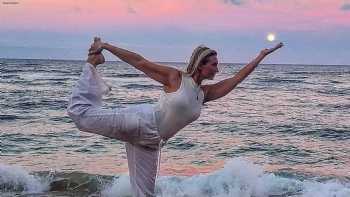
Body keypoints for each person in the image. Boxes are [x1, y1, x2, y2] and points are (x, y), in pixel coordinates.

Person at [67, 37, 283, 196]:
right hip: (141, 121)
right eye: (214, 64)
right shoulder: (176, 78)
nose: (218, 69)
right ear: (201, 64)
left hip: (151, 143)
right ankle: (92, 63)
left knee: (144, 195)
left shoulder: (204, 94)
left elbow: (236, 80)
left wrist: (260, 57)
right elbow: (140, 62)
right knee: (80, 115)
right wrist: (106, 46)